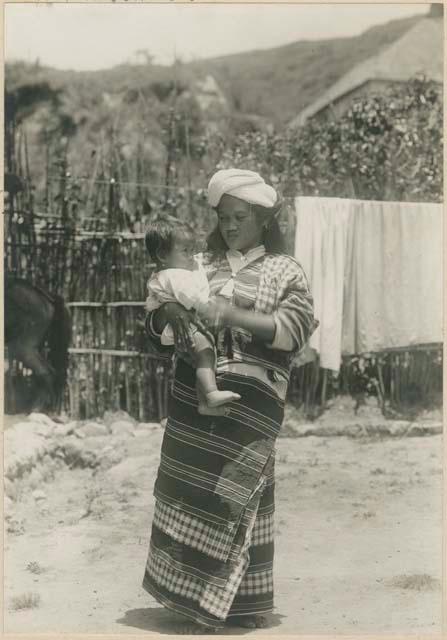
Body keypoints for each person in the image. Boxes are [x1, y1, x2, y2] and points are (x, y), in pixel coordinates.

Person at [142, 168, 318, 634]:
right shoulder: (198, 263)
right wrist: (171, 314)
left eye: (240, 217)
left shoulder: (285, 270)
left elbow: (293, 331)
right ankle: (185, 598)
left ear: (263, 220)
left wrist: (231, 313)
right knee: (190, 492)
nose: (230, 226)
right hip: (191, 404)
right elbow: (155, 327)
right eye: (223, 217)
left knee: (237, 495)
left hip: (251, 406)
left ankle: (233, 604)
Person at [144, 219, 241, 414]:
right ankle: (211, 393)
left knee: (202, 358)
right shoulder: (174, 274)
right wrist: (206, 308)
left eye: (192, 249)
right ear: (163, 255)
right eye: (185, 251)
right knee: (205, 353)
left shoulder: (186, 266)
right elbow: (189, 296)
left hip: (189, 322)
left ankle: (205, 402)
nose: (192, 256)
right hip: (186, 325)